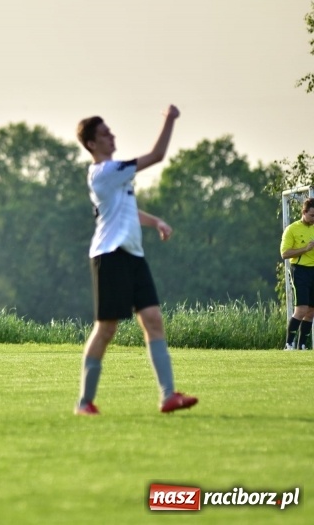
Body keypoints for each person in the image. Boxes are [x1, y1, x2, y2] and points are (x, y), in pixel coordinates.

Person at [74, 105, 198, 415]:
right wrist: (169, 120)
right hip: (109, 256)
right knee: (106, 329)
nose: (112, 136)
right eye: (105, 134)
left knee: (153, 319)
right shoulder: (105, 172)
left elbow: (126, 210)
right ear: (91, 143)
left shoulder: (115, 176)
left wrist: (155, 221)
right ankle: (84, 402)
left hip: (133, 255)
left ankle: (168, 396)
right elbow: (157, 155)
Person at [279, 198, 314, 350]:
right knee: (301, 309)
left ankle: (302, 346)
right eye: (312, 215)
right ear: (304, 212)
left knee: (311, 311)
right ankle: (289, 344)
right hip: (300, 270)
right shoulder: (292, 229)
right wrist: (305, 249)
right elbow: (285, 253)